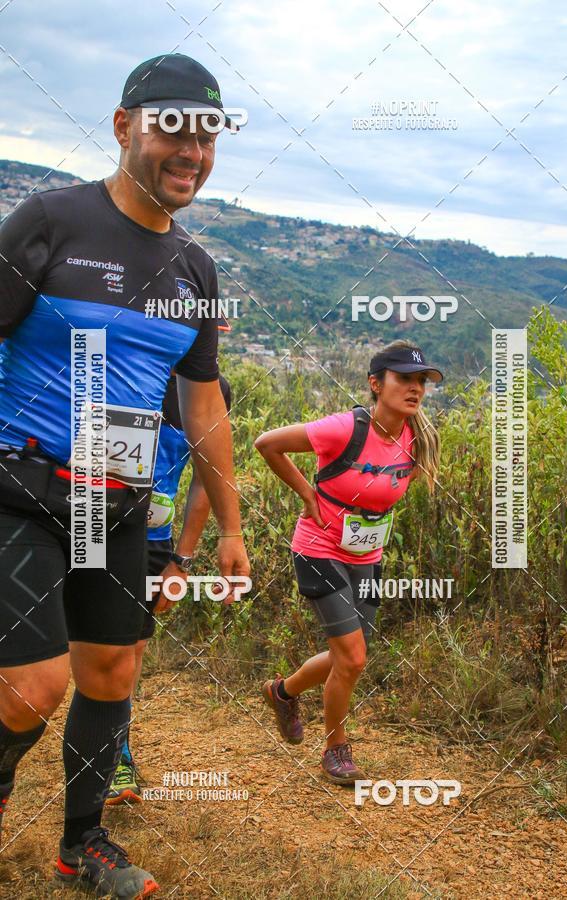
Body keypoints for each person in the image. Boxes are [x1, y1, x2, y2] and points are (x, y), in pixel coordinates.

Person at [0, 53, 249, 899]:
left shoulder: (196, 271)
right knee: (35, 688)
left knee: (110, 674)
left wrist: (231, 525)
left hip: (117, 498)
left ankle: (82, 845)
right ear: (123, 127)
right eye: (174, 128)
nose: (192, 151)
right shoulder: (50, 221)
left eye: (207, 135)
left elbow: (205, 404)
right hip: (19, 486)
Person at [256, 340, 442, 784]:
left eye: (421, 381)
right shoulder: (343, 428)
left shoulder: (420, 438)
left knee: (350, 655)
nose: (415, 388)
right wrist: (307, 494)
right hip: (318, 549)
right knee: (353, 658)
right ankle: (335, 749)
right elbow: (267, 444)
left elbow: (387, 494)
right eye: (404, 379)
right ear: (376, 384)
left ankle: (283, 692)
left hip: (367, 555)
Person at [107, 373, 232, 805]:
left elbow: (205, 476)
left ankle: (115, 755)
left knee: (130, 650)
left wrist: (182, 560)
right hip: (83, 525)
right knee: (61, 656)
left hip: (151, 542)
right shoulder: (127, 368)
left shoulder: (213, 393)